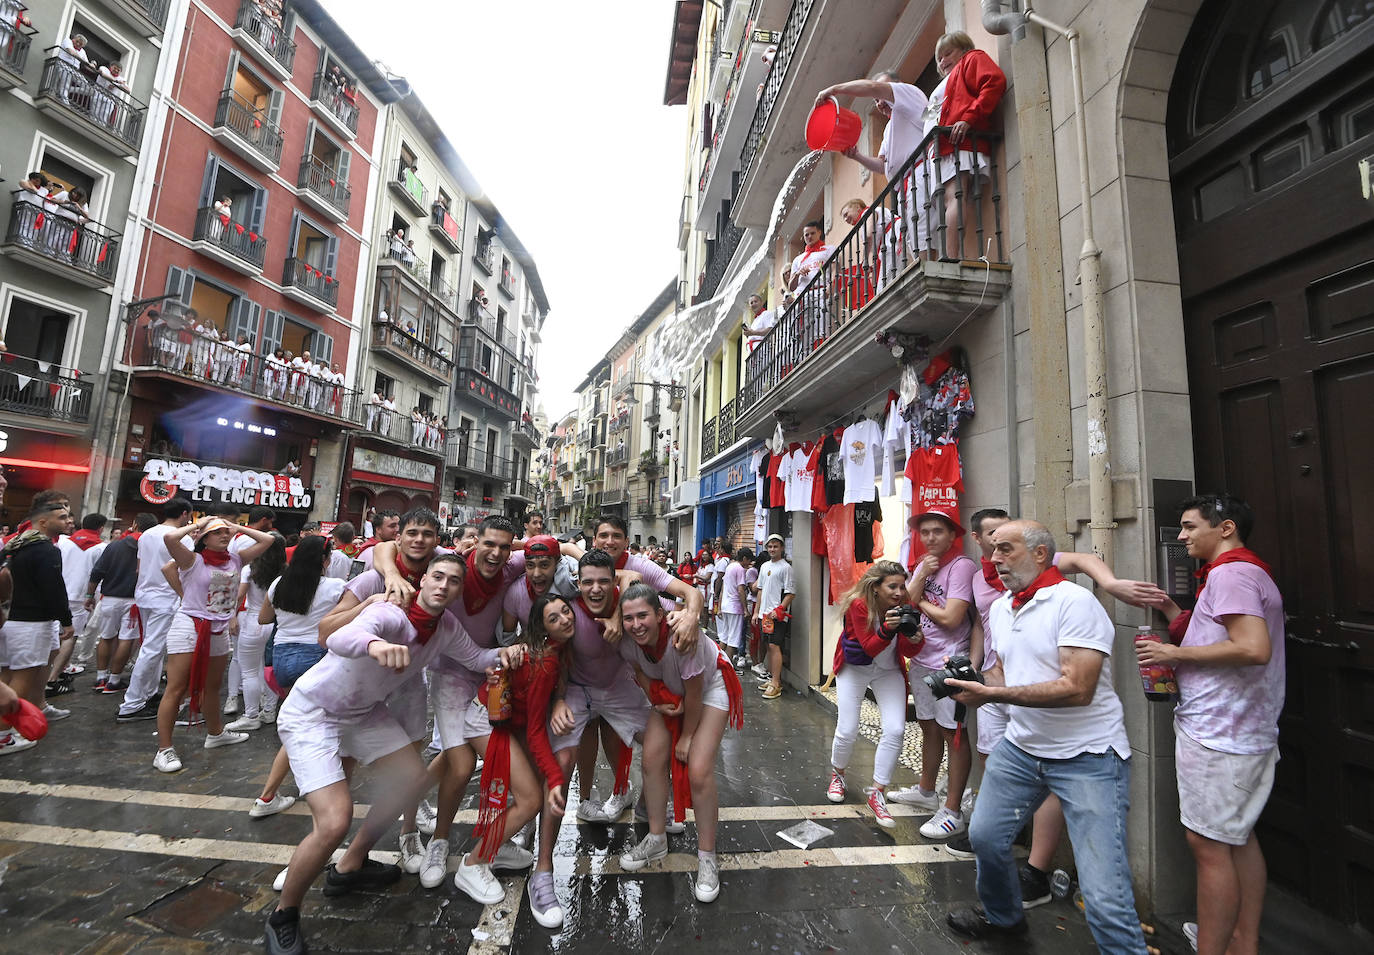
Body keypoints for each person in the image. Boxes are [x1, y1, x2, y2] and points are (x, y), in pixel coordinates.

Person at [263, 556, 523, 955]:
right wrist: (376, 644)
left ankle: (351, 864)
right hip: (313, 713)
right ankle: (283, 914)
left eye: (454, 581)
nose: (444, 586)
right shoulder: (390, 612)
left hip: (363, 713)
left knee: (410, 781)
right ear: (422, 583)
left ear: (457, 591)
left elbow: (475, 658)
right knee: (334, 820)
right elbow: (337, 639)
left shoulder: (446, 627)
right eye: (437, 577)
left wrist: (510, 653)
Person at [942, 520, 1147, 952]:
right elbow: (1005, 671)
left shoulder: (1075, 603)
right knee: (984, 837)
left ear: (1039, 554)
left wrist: (993, 693)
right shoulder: (1002, 607)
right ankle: (1004, 919)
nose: (994, 558)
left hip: (1089, 756)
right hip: (1022, 748)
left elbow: (1078, 688)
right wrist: (974, 682)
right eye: (993, 549)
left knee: (1103, 890)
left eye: (1005, 549)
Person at [1135, 494, 1284, 955]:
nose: (1180, 538)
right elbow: (1218, 633)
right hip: (1238, 728)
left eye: (1188, 527)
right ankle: (1243, 939)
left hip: (1223, 732)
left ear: (1225, 528)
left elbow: (1252, 647)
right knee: (1236, 838)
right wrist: (1170, 613)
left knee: (1208, 844)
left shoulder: (1231, 574)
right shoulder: (1240, 572)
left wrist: (1172, 653)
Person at [616, 582, 743, 903]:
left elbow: (697, 692)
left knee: (699, 769)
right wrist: (658, 700)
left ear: (661, 614)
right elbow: (641, 673)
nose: (635, 625)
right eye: (628, 618)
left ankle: (707, 857)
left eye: (643, 615)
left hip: (710, 689)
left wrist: (686, 737)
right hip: (671, 690)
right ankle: (656, 836)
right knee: (651, 760)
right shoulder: (628, 643)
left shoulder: (682, 638)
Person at [153, 516, 275, 773]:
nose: (224, 535)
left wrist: (237, 527)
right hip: (190, 625)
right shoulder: (192, 560)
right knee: (177, 687)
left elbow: (268, 539)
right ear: (204, 537)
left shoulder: (236, 559)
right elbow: (170, 538)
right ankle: (164, 749)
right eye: (217, 532)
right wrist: (200, 523)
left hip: (219, 628)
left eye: (225, 532)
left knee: (212, 687)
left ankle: (216, 733)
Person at [894, 507, 977, 841]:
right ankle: (926, 790)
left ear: (951, 535)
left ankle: (952, 810)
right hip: (921, 659)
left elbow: (952, 618)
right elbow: (904, 606)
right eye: (924, 532)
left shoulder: (961, 566)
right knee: (927, 726)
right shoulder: (921, 565)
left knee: (952, 734)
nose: (929, 538)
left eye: (937, 532)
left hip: (948, 663)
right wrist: (920, 579)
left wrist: (922, 598)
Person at [826, 561, 923, 827]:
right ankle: (838, 774)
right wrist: (888, 628)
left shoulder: (906, 608)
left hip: (888, 670)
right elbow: (869, 646)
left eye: (902, 586)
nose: (899, 592)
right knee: (847, 728)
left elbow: (909, 651)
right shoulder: (860, 605)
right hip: (855, 668)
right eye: (892, 586)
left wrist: (915, 639)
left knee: (895, 730)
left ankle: (877, 792)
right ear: (876, 587)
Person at [818, 69, 926, 264]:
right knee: (917, 240)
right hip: (905, 188)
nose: (879, 102)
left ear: (896, 85)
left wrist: (834, 89)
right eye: (876, 100)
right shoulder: (888, 129)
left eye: (881, 95)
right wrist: (857, 156)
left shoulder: (908, 93)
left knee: (925, 236)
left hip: (920, 176)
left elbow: (873, 87)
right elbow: (881, 166)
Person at [0, 499, 73, 732]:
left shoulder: (13, 546)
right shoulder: (45, 550)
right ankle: (4, 733)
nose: (68, 520)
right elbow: (53, 587)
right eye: (61, 517)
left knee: (8, 674)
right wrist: (66, 620)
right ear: (43, 521)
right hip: (30, 622)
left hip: (11, 619)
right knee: (23, 675)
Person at [117, 498, 192, 722]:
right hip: (165, 598)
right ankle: (131, 704)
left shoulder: (147, 534)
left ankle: (146, 695)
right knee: (152, 649)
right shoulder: (183, 538)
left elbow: (140, 568)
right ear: (185, 514)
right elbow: (183, 571)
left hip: (145, 595)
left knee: (151, 647)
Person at [86, 512, 158, 694]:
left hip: (110, 597)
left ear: (134, 524)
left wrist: (89, 595)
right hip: (134, 600)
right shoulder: (153, 547)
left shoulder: (114, 546)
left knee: (106, 636)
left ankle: (100, 677)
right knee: (126, 639)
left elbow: (97, 572)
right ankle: (114, 680)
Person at [224, 531, 287, 733]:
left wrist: (232, 616)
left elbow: (239, 594)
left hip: (253, 621)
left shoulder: (251, 569)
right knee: (269, 669)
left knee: (249, 671)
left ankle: (251, 715)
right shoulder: (286, 571)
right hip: (277, 624)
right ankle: (269, 711)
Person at [717, 546, 753, 669]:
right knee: (733, 640)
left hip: (726, 606)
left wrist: (720, 606)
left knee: (725, 637)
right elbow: (741, 589)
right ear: (744, 558)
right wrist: (745, 609)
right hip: (734, 607)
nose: (749, 564)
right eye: (748, 561)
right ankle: (727, 667)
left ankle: (716, 663)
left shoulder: (730, 567)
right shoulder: (740, 569)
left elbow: (723, 588)